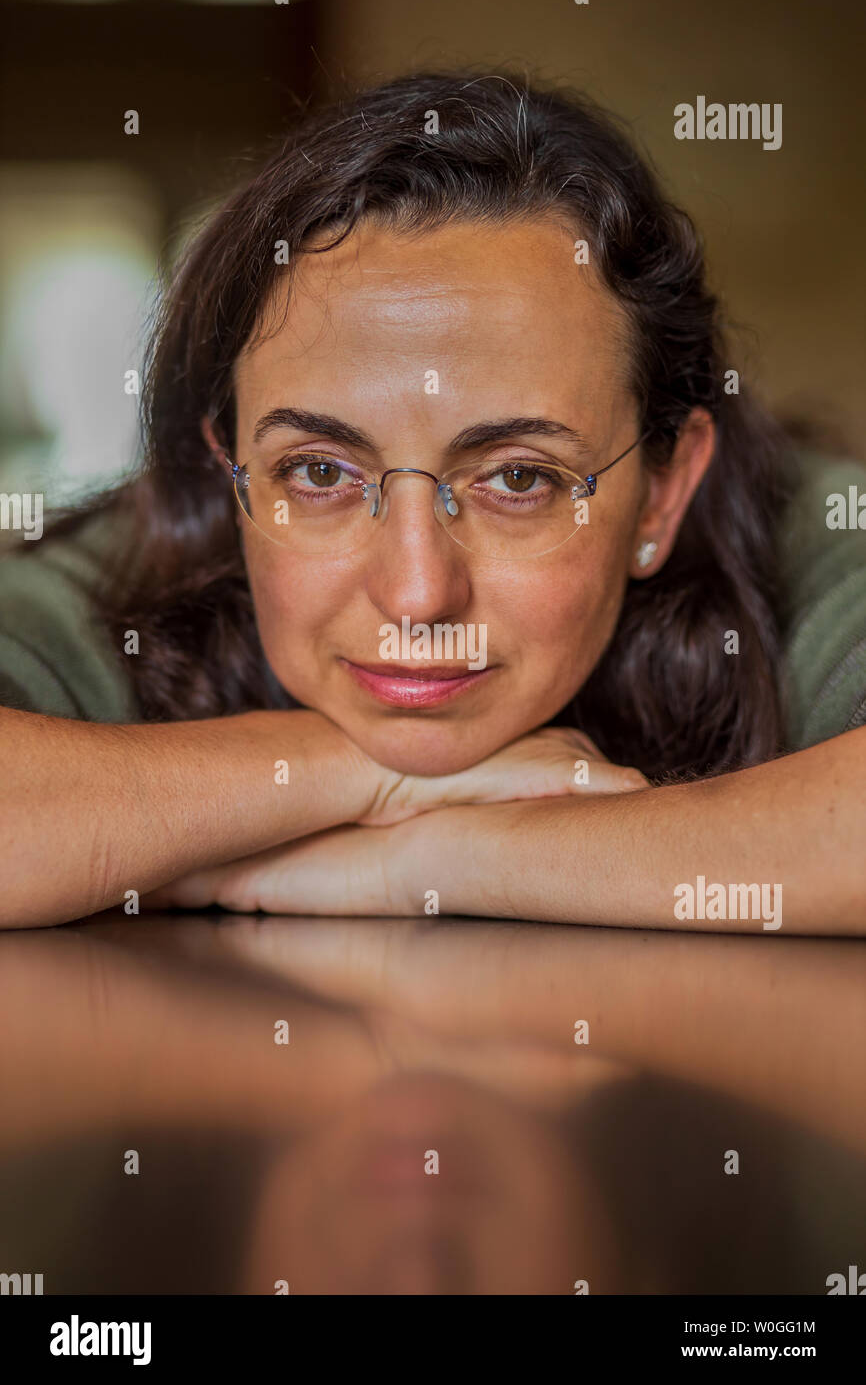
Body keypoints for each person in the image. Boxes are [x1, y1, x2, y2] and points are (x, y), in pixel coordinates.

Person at [1, 72, 864, 931]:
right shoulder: (132, 561)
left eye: (519, 479)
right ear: (227, 472)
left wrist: (435, 859)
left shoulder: (816, 534)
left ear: (663, 494)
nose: (417, 596)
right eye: (322, 473)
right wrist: (349, 771)